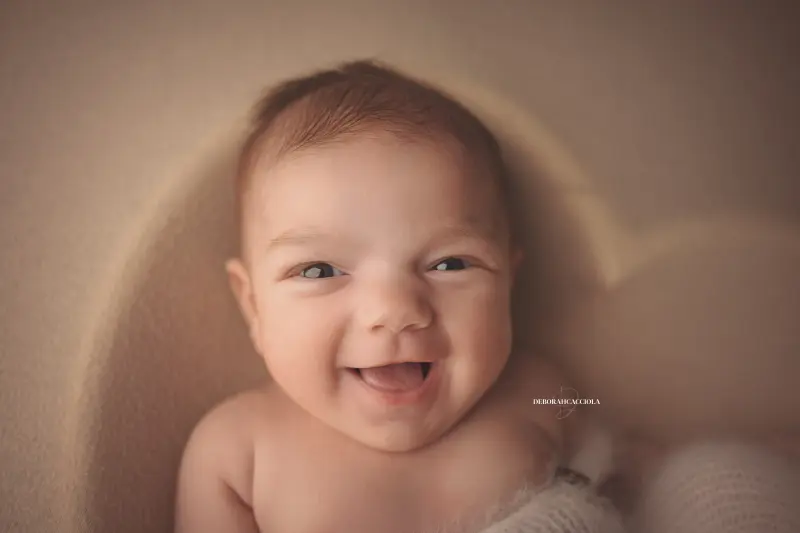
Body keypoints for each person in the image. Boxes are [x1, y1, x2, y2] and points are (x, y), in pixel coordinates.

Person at [173, 58, 625, 533]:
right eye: (320, 270)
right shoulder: (237, 453)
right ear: (253, 306)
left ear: (507, 283)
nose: (395, 312)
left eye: (449, 264)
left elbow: (630, 473)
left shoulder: (544, 394)